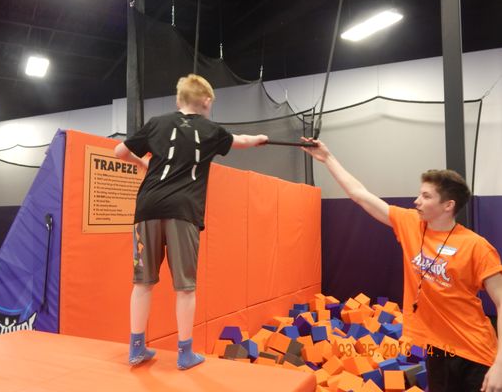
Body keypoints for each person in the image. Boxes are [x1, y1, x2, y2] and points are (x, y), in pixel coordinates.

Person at [301, 137, 502, 392]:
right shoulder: (411, 224)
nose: (417, 200)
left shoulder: (477, 247)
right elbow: (360, 195)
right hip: (437, 349)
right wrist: (327, 158)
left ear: (448, 205)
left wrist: (500, 365)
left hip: (475, 354)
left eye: (426, 196)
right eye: (419, 193)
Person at [114, 74, 267, 370]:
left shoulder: (157, 123)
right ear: (206, 101)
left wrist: (143, 162)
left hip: (147, 207)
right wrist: (259, 139)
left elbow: (119, 151)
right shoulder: (211, 130)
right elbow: (242, 141)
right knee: (185, 287)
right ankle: (184, 353)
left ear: (178, 99)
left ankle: (136, 349)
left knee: (142, 282)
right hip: (183, 210)